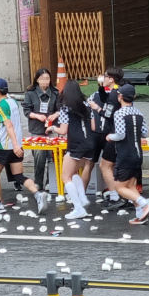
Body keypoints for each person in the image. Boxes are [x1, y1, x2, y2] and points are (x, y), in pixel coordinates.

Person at [0, 77, 49, 215]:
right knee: (19, 176)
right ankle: (37, 194)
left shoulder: (2, 105)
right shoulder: (13, 102)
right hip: (17, 145)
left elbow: (9, 125)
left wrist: (13, 144)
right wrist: (16, 145)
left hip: (4, 146)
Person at [107, 84, 149, 223]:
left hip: (125, 154)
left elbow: (120, 135)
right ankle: (140, 214)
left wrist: (110, 136)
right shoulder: (139, 113)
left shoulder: (119, 113)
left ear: (120, 97)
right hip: (138, 153)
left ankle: (145, 203)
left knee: (119, 187)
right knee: (131, 185)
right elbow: (145, 132)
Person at [58, 79, 95, 220]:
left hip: (75, 145)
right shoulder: (87, 106)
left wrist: (52, 127)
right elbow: (93, 127)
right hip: (89, 144)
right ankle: (82, 198)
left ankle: (78, 208)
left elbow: (62, 130)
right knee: (73, 172)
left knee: (65, 177)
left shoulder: (65, 108)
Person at [91, 68, 126, 206]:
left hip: (114, 134)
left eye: (105, 76)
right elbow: (106, 100)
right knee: (114, 165)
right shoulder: (118, 91)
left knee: (104, 165)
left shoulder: (114, 94)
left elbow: (108, 113)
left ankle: (115, 195)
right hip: (119, 133)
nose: (102, 78)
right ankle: (121, 194)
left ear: (111, 79)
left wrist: (96, 108)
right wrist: (100, 87)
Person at [23, 68, 61, 190]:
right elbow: (27, 111)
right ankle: (38, 181)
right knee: (39, 155)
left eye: (48, 78)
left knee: (52, 155)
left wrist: (55, 115)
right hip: (37, 128)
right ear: (37, 79)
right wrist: (37, 116)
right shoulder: (30, 93)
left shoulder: (55, 93)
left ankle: (51, 181)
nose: (45, 81)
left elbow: (61, 109)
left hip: (52, 128)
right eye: (43, 78)